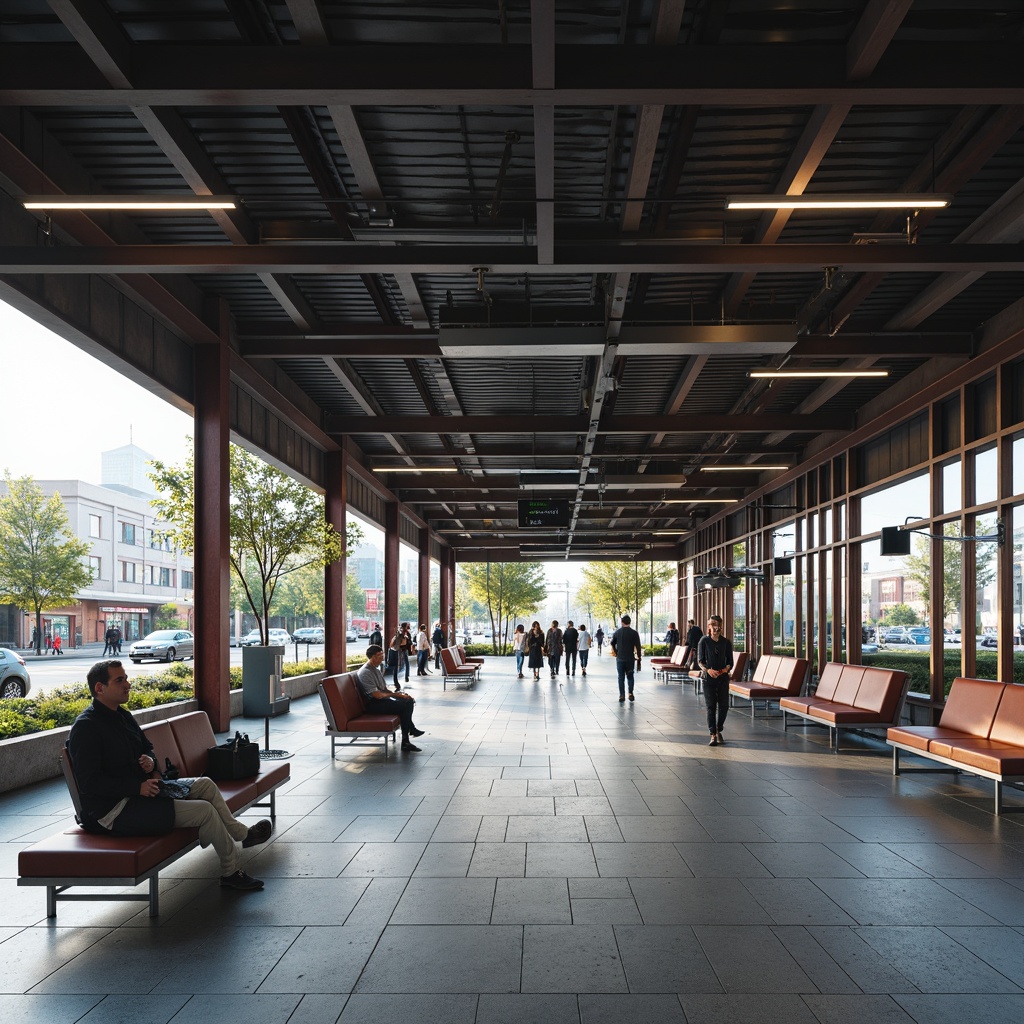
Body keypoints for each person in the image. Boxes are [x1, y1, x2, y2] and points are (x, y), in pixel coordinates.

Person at [68, 660, 271, 891]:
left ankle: (242, 835)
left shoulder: (122, 716)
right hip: (113, 811)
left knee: (205, 784)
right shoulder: (86, 728)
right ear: (99, 688)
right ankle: (231, 872)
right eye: (120, 680)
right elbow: (89, 782)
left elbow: (147, 747)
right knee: (204, 811)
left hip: (143, 793)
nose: (128, 684)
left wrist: (149, 760)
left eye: (126, 678)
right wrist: (136, 788)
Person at [356, 645, 424, 751]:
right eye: (380, 655)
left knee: (408, 700)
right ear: (373, 657)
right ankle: (407, 738)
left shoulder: (375, 669)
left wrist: (401, 695)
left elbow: (384, 689)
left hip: (380, 700)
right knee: (404, 706)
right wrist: (396, 695)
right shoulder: (366, 672)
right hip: (372, 705)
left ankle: (409, 734)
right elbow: (377, 695)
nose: (383, 657)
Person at [698, 614, 735, 747]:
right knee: (711, 706)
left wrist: (726, 669)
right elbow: (700, 661)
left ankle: (719, 728)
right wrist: (708, 670)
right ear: (709, 627)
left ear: (721, 627)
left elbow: (730, 662)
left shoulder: (726, 642)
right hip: (708, 679)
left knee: (724, 706)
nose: (715, 628)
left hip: (723, 678)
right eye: (712, 625)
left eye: (717, 625)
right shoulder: (704, 641)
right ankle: (713, 734)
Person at [610, 614, 642, 703]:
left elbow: (612, 643)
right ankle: (630, 693)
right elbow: (638, 646)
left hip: (620, 658)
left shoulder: (617, 632)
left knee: (621, 677)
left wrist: (616, 652)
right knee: (630, 676)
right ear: (629, 623)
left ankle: (622, 695)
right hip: (630, 658)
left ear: (622, 622)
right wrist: (639, 657)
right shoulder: (634, 633)